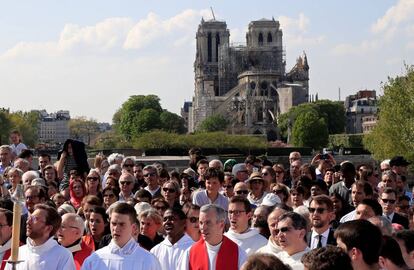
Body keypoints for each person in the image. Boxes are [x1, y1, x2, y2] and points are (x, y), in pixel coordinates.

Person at [81, 202, 161, 270]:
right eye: (114, 224)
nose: (116, 228)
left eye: (122, 224)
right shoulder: (94, 260)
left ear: (134, 228)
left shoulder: (148, 260)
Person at [7, 204, 75, 270]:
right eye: (29, 218)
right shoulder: (18, 253)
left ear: (48, 228)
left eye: (34, 219)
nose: (28, 222)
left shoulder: (63, 255)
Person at [178, 204, 247, 270]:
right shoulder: (190, 253)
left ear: (221, 225)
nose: (203, 227)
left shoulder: (238, 254)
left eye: (208, 223)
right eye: (201, 223)